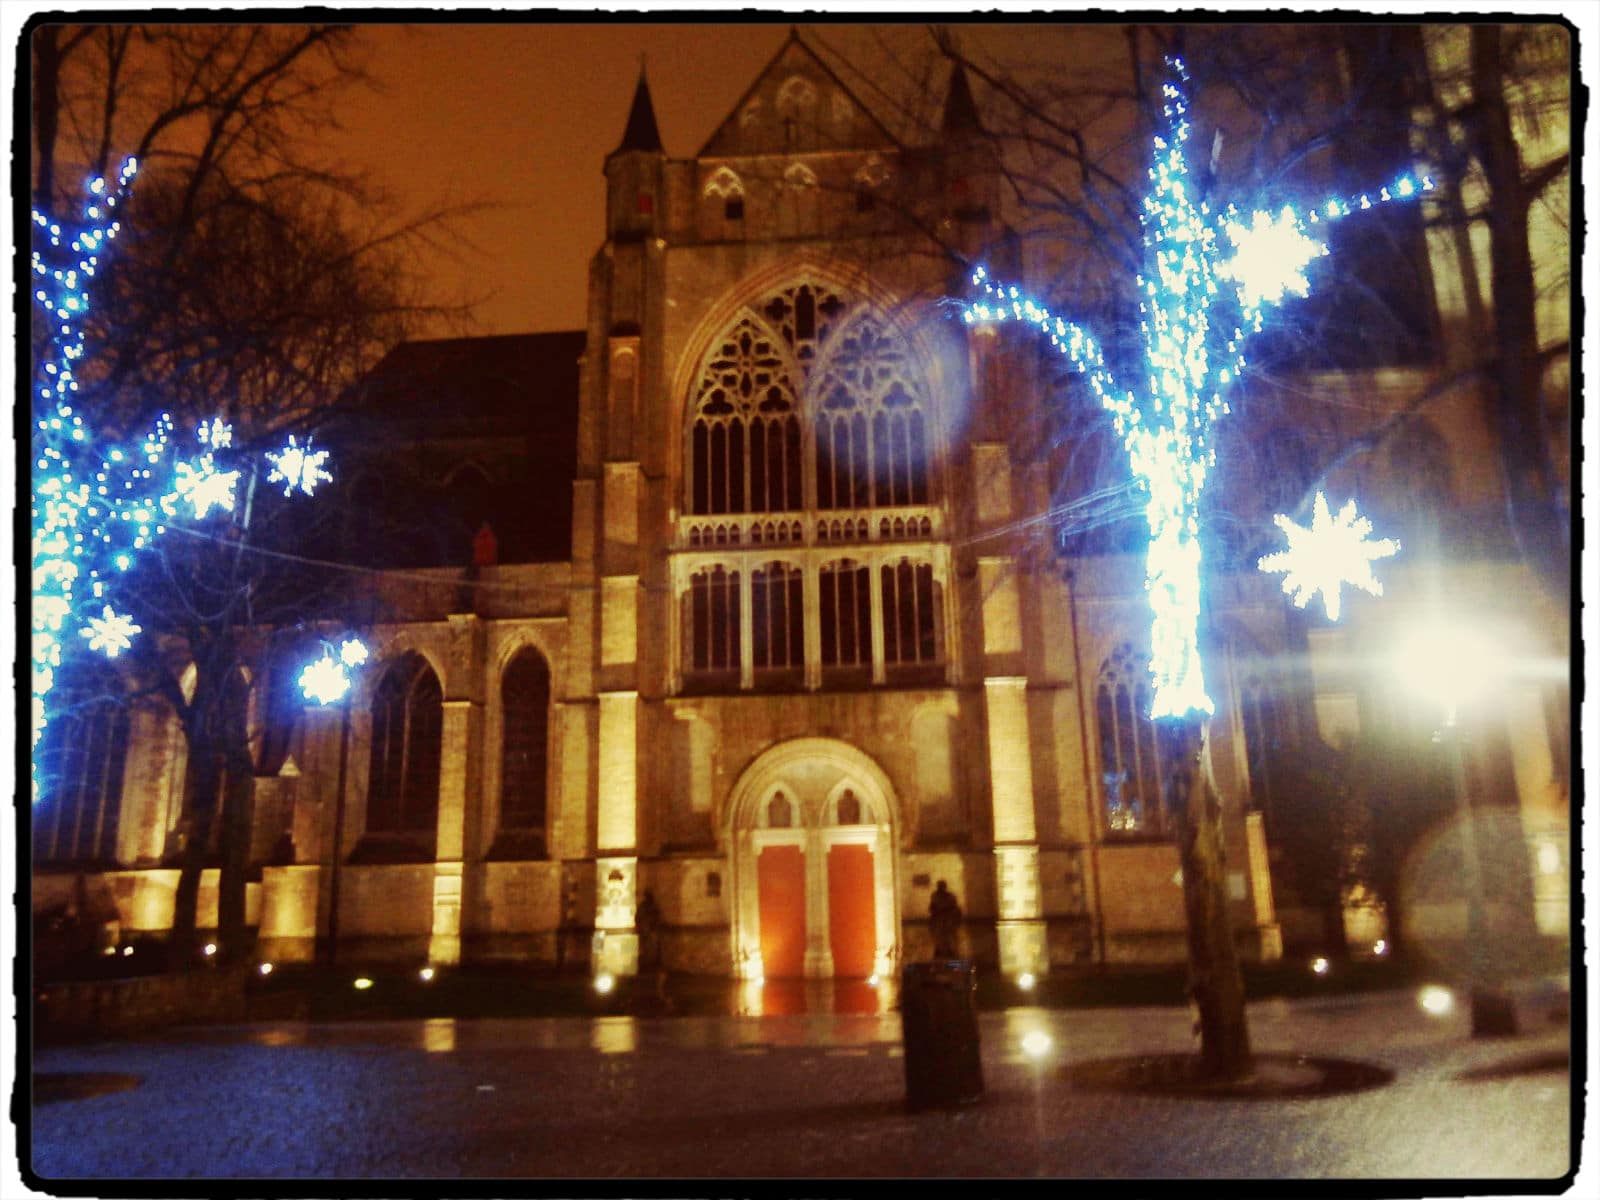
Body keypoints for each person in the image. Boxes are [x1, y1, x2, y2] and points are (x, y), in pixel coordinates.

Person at [929, 879, 962, 959]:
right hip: (938, 920)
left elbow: (955, 908)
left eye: (942, 886)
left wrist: (951, 915)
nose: (940, 888)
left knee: (948, 937)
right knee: (939, 936)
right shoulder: (934, 896)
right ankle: (939, 951)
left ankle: (950, 951)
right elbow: (932, 907)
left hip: (948, 920)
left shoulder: (950, 896)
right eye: (939, 886)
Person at [635, 888, 663, 972]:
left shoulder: (653, 906)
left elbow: (657, 917)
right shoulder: (643, 907)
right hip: (645, 931)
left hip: (651, 931)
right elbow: (638, 918)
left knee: (652, 949)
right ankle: (646, 965)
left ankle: (651, 965)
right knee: (645, 949)